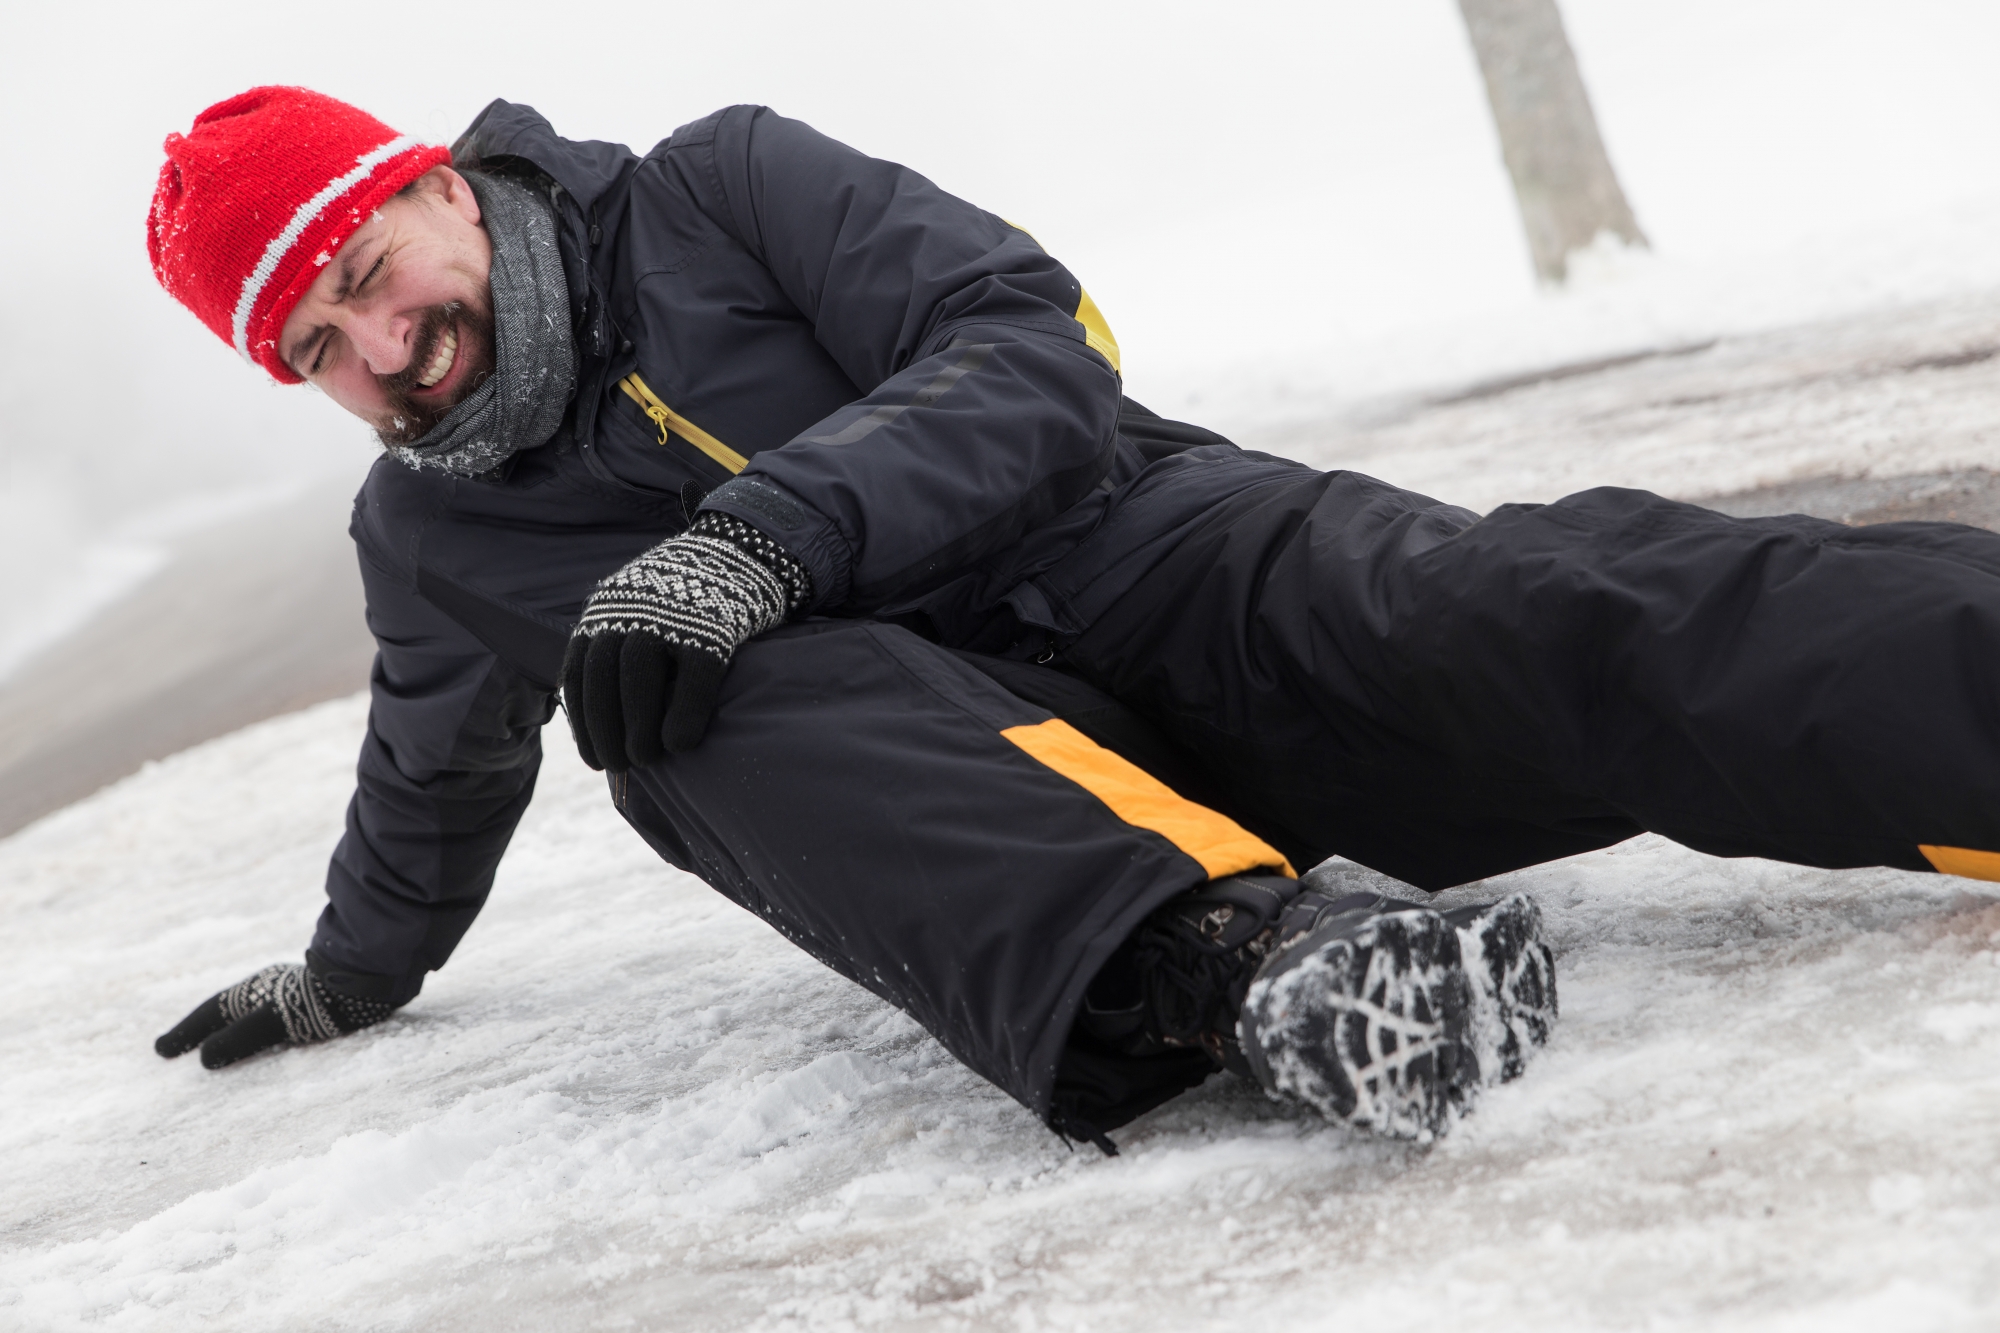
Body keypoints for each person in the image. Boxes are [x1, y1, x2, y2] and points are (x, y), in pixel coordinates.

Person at [146, 87, 2000, 1153]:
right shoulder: (431, 537)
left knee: (1564, 605)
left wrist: (769, 529)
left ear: (432, 187)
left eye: (372, 276)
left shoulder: (721, 187)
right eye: (319, 348)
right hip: (1004, 828)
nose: (386, 351)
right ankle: (1263, 980)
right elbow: (432, 766)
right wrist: (349, 971)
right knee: (665, 708)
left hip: (1178, 565)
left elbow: (1033, 345)